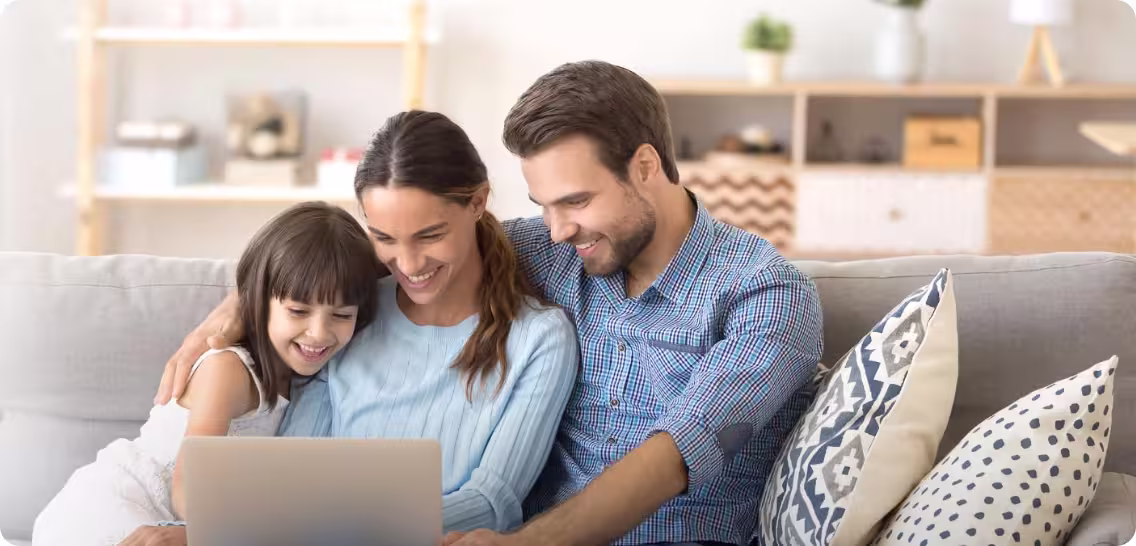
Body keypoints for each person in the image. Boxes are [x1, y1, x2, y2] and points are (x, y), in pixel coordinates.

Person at [159, 60, 823, 546]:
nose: (559, 230)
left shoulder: (765, 296)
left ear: (645, 166)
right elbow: (391, 253)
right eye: (544, 207)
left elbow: (671, 458)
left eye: (576, 201)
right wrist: (235, 314)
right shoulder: (561, 249)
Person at [155, 110, 580, 539]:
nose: (409, 266)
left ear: (477, 202)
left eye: (430, 235)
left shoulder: (538, 339)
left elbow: (491, 502)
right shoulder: (350, 312)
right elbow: (295, 464)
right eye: (385, 239)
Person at [33, 201, 383, 546]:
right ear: (259, 301)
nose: (319, 333)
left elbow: (395, 262)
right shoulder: (228, 369)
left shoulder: (302, 378)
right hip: (113, 502)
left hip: (175, 523)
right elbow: (189, 485)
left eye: (341, 315)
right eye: (298, 311)